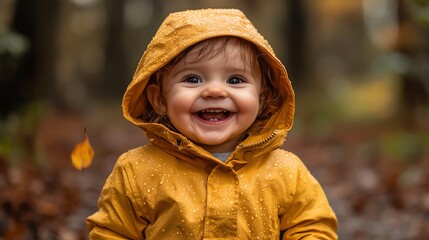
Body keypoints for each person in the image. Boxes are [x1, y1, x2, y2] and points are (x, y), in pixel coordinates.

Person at [86, 8, 338, 239]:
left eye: (236, 80)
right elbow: (111, 232)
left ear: (262, 98)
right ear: (159, 99)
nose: (215, 90)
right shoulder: (136, 171)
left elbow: (312, 227)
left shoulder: (285, 171)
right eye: (193, 79)